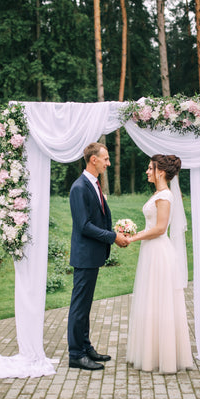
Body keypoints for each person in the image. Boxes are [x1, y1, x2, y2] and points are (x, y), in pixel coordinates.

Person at [125, 154, 193, 374]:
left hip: (159, 252)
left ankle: (163, 355)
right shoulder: (158, 193)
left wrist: (132, 237)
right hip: (151, 251)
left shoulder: (164, 196)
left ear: (160, 172)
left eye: (150, 168)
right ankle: (150, 352)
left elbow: (160, 228)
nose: (147, 171)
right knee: (151, 299)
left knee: (159, 301)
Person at [68, 142, 128, 371]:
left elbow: (99, 217)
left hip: (91, 256)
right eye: (105, 158)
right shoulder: (79, 187)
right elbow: (84, 226)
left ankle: (85, 347)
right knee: (79, 307)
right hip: (84, 256)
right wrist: (113, 237)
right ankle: (76, 354)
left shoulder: (93, 184)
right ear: (93, 159)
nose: (108, 162)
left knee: (85, 306)